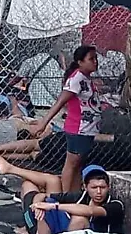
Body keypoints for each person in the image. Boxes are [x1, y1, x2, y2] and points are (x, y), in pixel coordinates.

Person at [0, 155, 124, 234]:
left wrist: (52, 206)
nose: (99, 192)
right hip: (39, 224)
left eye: (102, 187)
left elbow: (90, 211)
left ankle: (10, 168)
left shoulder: (115, 205)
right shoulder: (81, 196)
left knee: (78, 218)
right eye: (94, 187)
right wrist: (39, 205)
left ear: (108, 187)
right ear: (85, 187)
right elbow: (43, 197)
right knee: (37, 188)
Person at [30, 45, 103, 192]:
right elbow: (60, 102)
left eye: (95, 58)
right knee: (71, 164)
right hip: (78, 128)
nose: (95, 62)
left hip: (87, 129)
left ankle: (74, 194)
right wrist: (43, 123)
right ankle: (63, 194)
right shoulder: (76, 79)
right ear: (80, 62)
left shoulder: (86, 78)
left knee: (78, 164)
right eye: (91, 59)